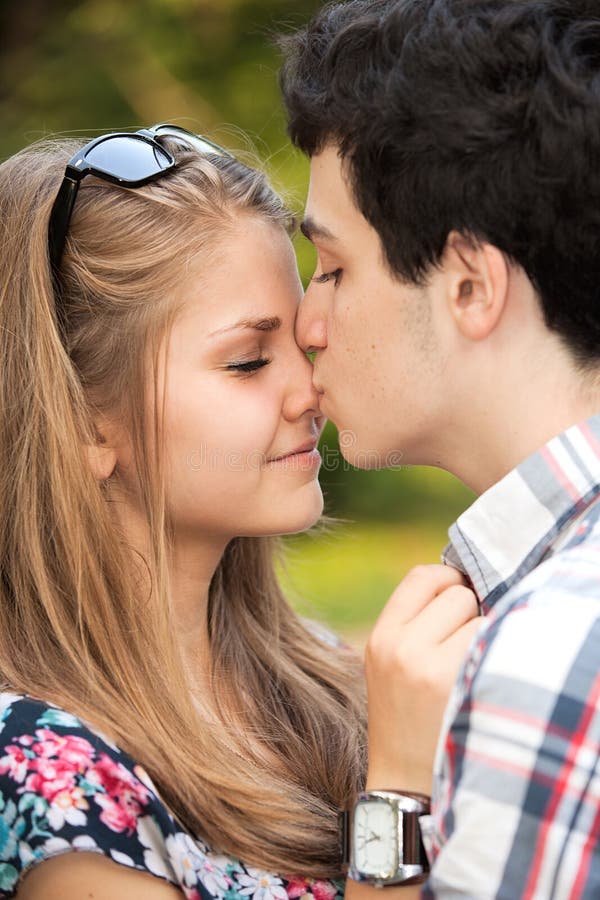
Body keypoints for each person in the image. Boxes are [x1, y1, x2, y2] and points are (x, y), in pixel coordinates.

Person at [279, 0, 600, 896]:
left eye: (335, 269)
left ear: (468, 285)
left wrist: (395, 801)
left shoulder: (546, 659)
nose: (307, 321)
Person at [0, 124, 370, 899]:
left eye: (302, 347)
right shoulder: (47, 771)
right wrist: (398, 798)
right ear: (81, 424)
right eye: (247, 361)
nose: (310, 392)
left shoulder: (334, 678)